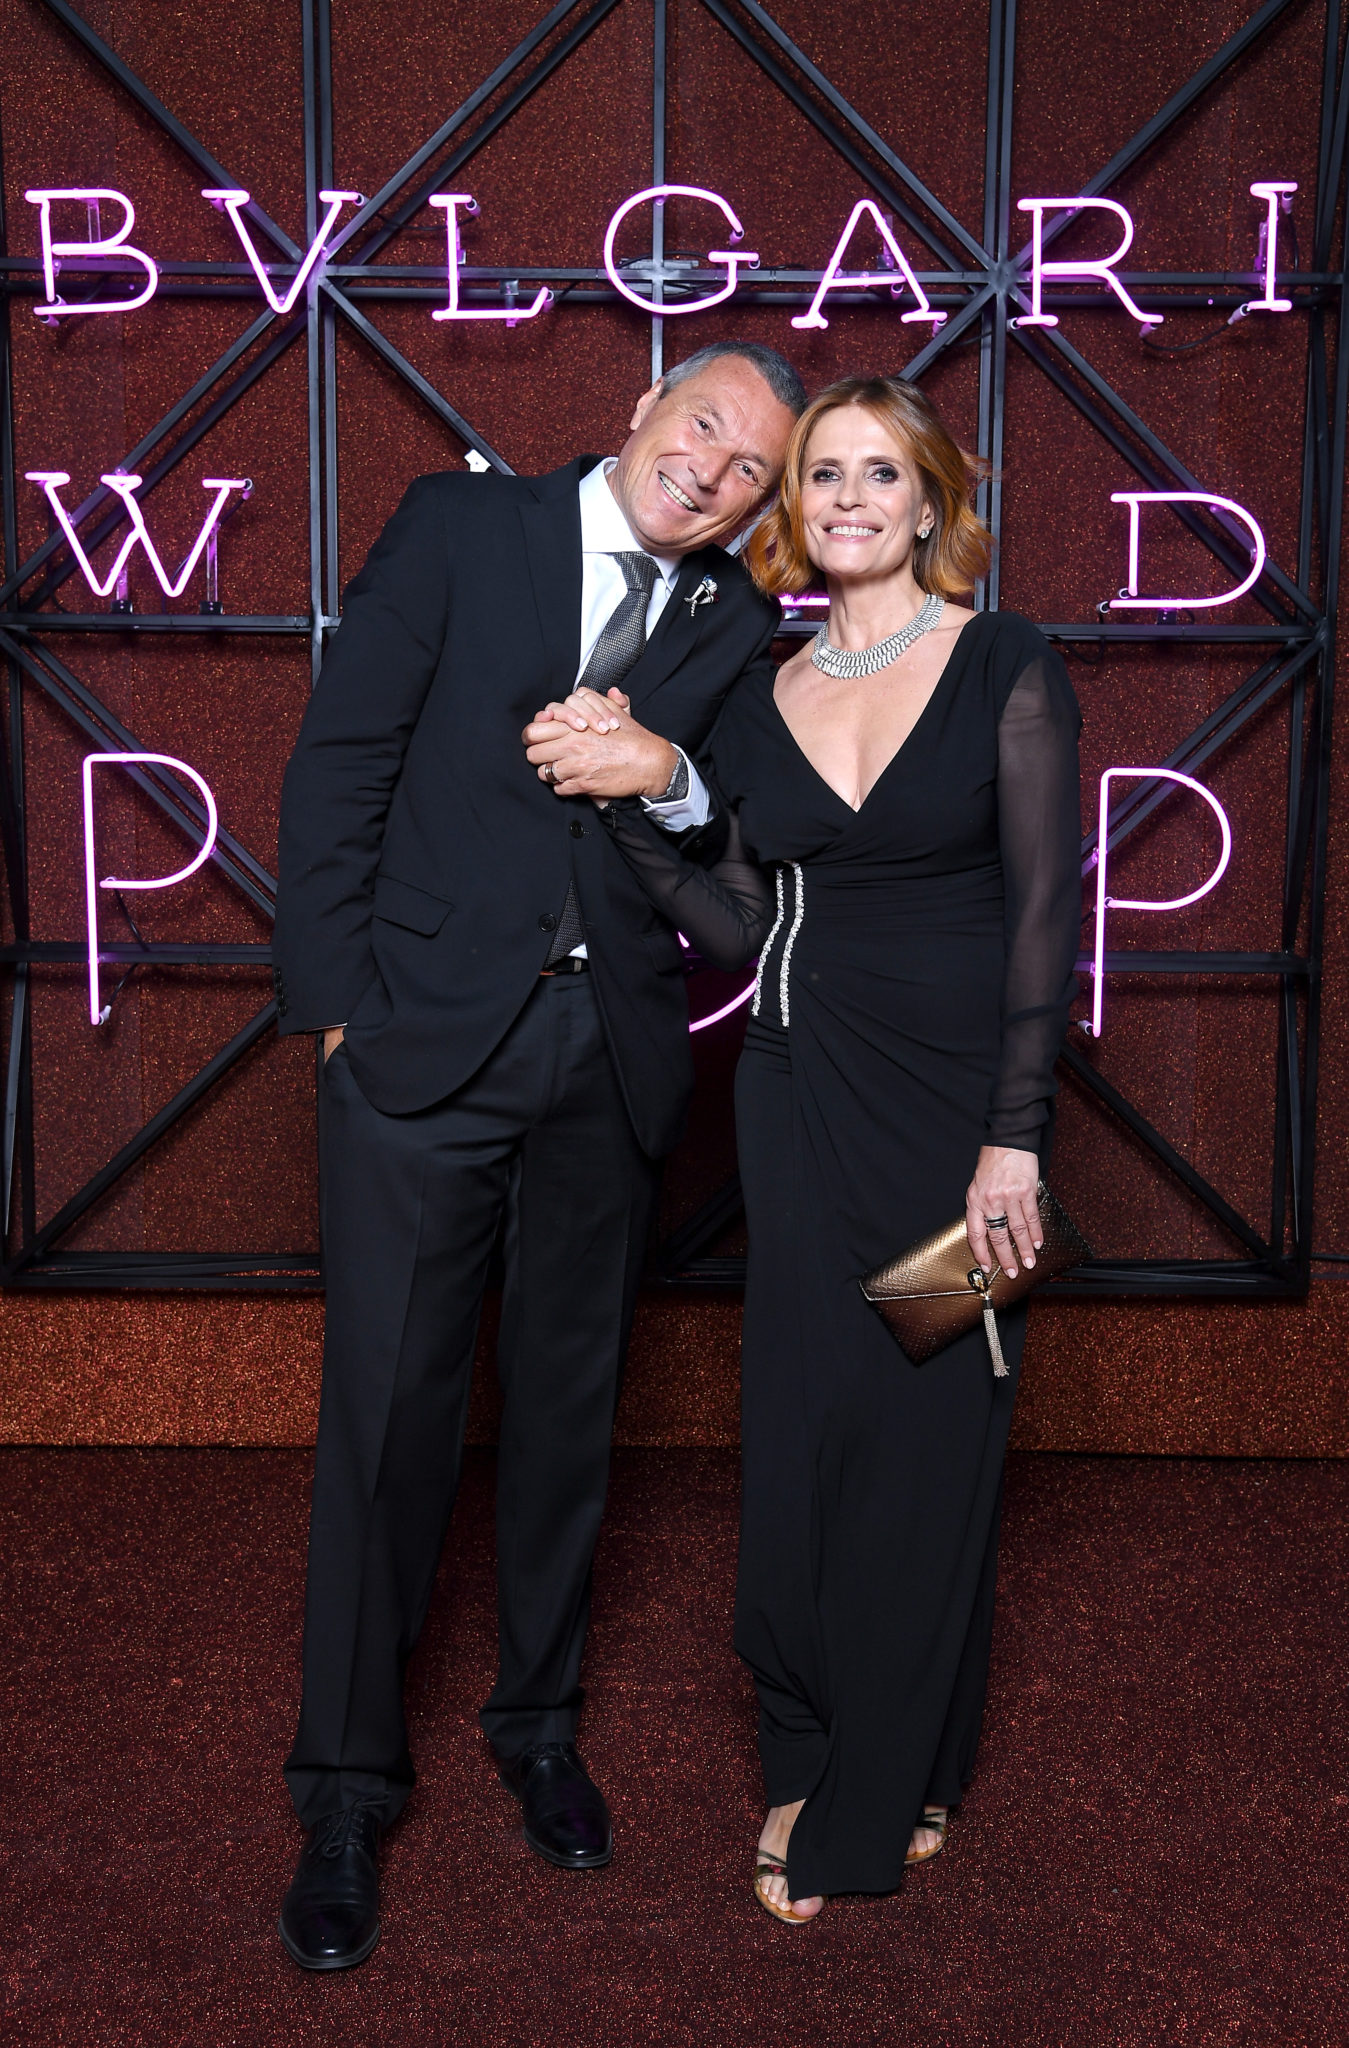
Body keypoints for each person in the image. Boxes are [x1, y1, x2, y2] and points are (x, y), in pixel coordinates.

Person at [270, 341, 805, 1969]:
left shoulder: (734, 620)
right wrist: (337, 1016)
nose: (711, 469)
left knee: (568, 1423)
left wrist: (671, 773)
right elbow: (340, 764)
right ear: (640, 408)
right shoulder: (459, 526)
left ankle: (537, 1727)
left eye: (750, 468)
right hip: (419, 1046)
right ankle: (346, 1788)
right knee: (388, 1426)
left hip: (609, 1062)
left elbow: (745, 836)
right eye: (701, 425)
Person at [523, 375, 1082, 1922]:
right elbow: (738, 919)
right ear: (795, 507)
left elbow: (1045, 916)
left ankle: (901, 1764)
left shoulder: (1004, 662)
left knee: (933, 1433)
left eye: (878, 473)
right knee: (809, 1429)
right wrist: (631, 807)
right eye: (822, 473)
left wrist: (1014, 1142)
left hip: (957, 1123)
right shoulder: (758, 698)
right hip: (793, 1095)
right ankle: (808, 1738)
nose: (846, 498)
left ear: (927, 500)